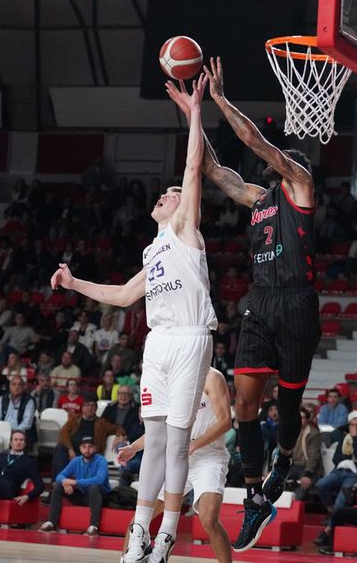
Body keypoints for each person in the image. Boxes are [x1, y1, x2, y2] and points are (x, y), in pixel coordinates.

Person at [52, 74, 215, 563]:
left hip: (190, 338)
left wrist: (195, 113)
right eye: (163, 193)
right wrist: (75, 283)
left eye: (171, 194)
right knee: (156, 440)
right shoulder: (153, 250)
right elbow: (123, 296)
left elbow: (192, 167)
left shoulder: (185, 230)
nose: (164, 195)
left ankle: (167, 535)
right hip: (158, 343)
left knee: (178, 443)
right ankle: (140, 531)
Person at [186, 57, 321, 552]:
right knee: (244, 404)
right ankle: (255, 497)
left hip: (298, 304)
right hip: (261, 302)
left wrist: (221, 99)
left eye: (279, 159)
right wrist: (194, 113)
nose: (270, 161)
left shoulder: (300, 185)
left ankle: (283, 462)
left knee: (287, 407)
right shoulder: (260, 198)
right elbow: (214, 170)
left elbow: (256, 142)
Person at [119, 368, 235, 562]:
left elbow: (225, 422)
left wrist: (196, 444)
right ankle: (126, 558)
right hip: (179, 458)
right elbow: (161, 429)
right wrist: (133, 447)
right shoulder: (172, 380)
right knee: (141, 517)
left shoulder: (212, 377)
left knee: (209, 519)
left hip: (210, 457)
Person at [41, 434, 112, 535]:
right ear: (80, 449)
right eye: (84, 447)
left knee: (94, 487)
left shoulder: (101, 460)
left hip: (101, 497)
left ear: (95, 448)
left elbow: (99, 479)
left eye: (90, 447)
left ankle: (94, 526)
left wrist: (75, 482)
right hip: (84, 496)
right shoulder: (76, 461)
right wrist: (65, 482)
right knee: (57, 485)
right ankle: (52, 522)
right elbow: (59, 476)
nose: (87, 450)